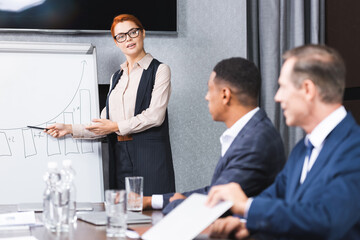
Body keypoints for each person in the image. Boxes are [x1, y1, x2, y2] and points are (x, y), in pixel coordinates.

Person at [207, 45, 360, 239]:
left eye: (283, 87)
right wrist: (245, 222)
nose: (277, 97)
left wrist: (248, 207)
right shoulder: (302, 149)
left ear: (307, 89)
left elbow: (328, 219)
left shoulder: (354, 148)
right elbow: (275, 195)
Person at [46, 14, 175, 196]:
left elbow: (155, 116)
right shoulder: (117, 77)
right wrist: (68, 128)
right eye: (121, 36)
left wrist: (115, 126)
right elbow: (103, 124)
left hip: (150, 156)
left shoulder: (160, 70)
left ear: (143, 33)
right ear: (116, 42)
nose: (128, 39)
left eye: (133, 32)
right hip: (120, 155)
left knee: (154, 213)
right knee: (123, 213)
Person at [142, 57, 286, 214]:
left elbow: (217, 205)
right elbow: (215, 191)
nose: (207, 97)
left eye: (210, 89)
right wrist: (152, 200)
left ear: (225, 95)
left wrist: (175, 204)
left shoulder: (256, 141)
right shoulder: (252, 131)